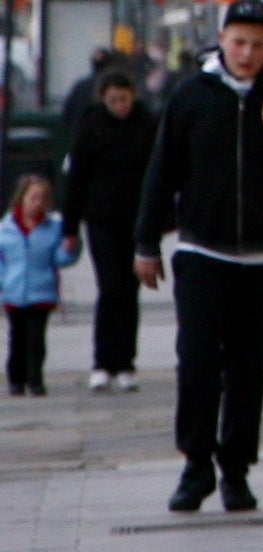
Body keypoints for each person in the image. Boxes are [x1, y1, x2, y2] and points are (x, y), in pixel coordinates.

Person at [134, 1, 263, 515]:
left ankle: (236, 471)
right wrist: (146, 243)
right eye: (240, 42)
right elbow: (161, 170)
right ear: (222, 39)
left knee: (248, 367)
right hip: (203, 251)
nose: (247, 54)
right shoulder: (192, 96)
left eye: (259, 45)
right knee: (196, 362)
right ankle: (196, 467)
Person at [60, 65, 154, 390]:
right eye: (113, 100)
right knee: (110, 287)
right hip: (101, 220)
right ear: (103, 99)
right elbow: (77, 179)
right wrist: (69, 228)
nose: (120, 106)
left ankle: (126, 363)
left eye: (124, 99)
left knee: (130, 290)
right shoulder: (90, 126)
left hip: (137, 220)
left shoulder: (147, 124)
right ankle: (103, 362)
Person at [1, 171, 79, 395]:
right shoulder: (6, 228)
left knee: (36, 339)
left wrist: (70, 248)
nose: (38, 204)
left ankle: (35, 379)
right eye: (33, 198)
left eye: (43, 198)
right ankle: (16, 380)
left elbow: (59, 259)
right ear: (21, 199)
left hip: (42, 290)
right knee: (17, 338)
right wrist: (3, 280)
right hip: (14, 290)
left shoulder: (53, 228)